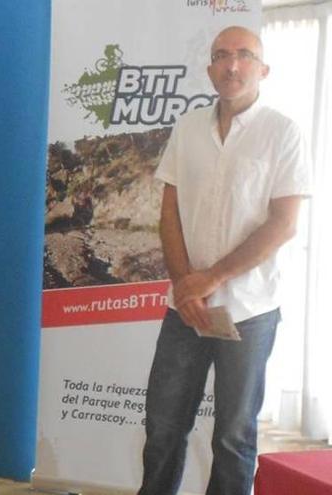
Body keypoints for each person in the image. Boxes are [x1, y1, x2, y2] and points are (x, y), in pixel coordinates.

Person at [138, 26, 311, 495]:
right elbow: (169, 210)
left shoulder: (284, 133)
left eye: (244, 55)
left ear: (263, 69)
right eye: (221, 56)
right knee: (162, 428)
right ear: (210, 67)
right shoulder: (188, 126)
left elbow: (283, 224)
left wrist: (209, 279)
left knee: (234, 438)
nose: (231, 65)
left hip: (249, 312)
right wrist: (184, 286)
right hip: (185, 312)